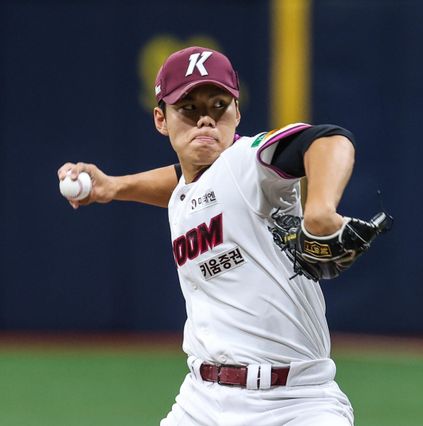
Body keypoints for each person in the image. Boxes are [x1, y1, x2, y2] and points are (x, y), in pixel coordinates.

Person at [58, 46, 361, 425]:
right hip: (201, 401)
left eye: (219, 106)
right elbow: (183, 183)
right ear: (161, 119)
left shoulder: (250, 161)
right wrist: (114, 187)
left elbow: (329, 139)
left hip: (295, 402)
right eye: (188, 108)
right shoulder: (187, 192)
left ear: (237, 113)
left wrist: (319, 209)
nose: (205, 119)